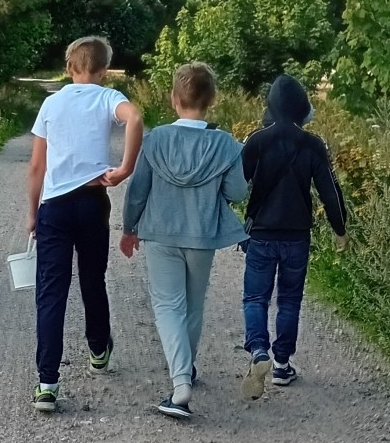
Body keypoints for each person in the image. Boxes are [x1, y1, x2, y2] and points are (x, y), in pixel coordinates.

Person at [119, 63, 247, 419]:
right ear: (212, 100)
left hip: (160, 233)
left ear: (174, 99)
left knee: (167, 306)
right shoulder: (225, 145)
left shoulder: (156, 139)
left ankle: (180, 386)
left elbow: (138, 190)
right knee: (193, 305)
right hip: (202, 235)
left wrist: (129, 228)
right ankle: (186, 370)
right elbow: (237, 191)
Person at [26, 36, 144, 411]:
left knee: (51, 290)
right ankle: (97, 348)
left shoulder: (51, 103)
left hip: (55, 207)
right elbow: (136, 118)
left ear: (69, 67)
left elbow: (36, 167)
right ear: (104, 70)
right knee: (93, 278)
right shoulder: (109, 98)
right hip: (93, 202)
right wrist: (124, 169)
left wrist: (33, 212)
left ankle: (47, 383)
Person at [239, 74, 348, 400]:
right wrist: (340, 229)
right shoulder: (313, 144)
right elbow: (331, 192)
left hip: (260, 234)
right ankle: (283, 364)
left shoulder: (256, 140)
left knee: (255, 298)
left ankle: (259, 351)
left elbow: (233, 185)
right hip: (297, 236)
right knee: (289, 300)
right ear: (302, 105)